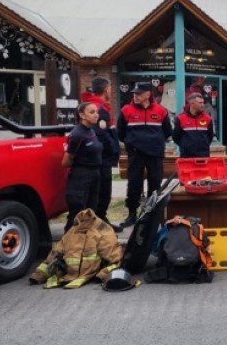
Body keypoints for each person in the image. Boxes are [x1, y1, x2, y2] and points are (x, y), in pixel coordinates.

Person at [117, 82, 172, 229]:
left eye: (139, 93)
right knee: (133, 184)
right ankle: (131, 215)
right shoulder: (126, 110)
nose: (135, 96)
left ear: (148, 94)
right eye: (134, 93)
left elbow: (168, 131)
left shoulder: (161, 111)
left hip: (155, 154)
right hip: (135, 154)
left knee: (155, 184)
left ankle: (152, 214)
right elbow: (120, 133)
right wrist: (132, 144)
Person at [80, 78, 121, 231]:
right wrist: (114, 149)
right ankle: (99, 220)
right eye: (110, 88)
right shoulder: (99, 110)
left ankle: (99, 219)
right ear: (105, 90)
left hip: (98, 157)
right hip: (102, 158)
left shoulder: (94, 106)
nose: (111, 91)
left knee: (99, 191)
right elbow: (102, 134)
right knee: (103, 191)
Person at [62, 102, 103, 232]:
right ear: (82, 115)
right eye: (92, 112)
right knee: (77, 213)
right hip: (81, 177)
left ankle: (86, 243)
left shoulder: (91, 130)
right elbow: (66, 161)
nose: (96, 115)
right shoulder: (77, 134)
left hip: (95, 174)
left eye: (96, 112)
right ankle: (68, 245)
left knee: (91, 212)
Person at [172, 92, 214, 157]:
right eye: (200, 103)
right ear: (192, 104)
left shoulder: (207, 118)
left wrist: (203, 146)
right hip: (186, 156)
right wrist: (185, 146)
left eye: (203, 102)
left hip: (203, 156)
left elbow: (210, 137)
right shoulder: (181, 118)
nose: (203, 105)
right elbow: (176, 137)